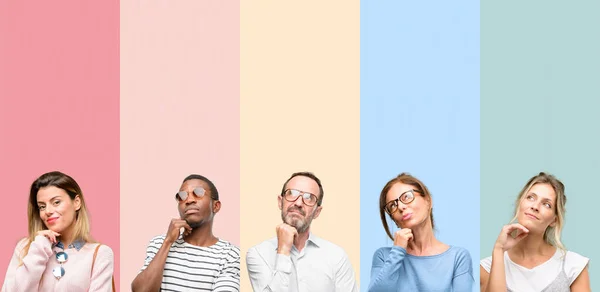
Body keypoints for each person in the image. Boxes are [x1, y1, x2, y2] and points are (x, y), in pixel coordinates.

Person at [2, 171, 115, 291]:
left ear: (76, 202)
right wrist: (40, 247)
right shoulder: (26, 248)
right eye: (42, 206)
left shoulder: (99, 254)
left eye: (56, 202)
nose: (48, 211)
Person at [246, 171, 358, 292]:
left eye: (309, 198)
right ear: (280, 201)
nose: (298, 203)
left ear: (317, 212)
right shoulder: (258, 254)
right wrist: (283, 251)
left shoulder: (337, 256)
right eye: (292, 194)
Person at [480, 172, 590, 292]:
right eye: (530, 197)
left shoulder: (573, 265)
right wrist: (499, 250)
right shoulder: (487, 267)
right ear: (519, 203)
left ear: (554, 220)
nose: (535, 206)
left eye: (547, 204)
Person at [131, 174, 240, 291]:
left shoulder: (230, 255)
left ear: (216, 206)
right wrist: (167, 242)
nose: (189, 200)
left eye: (198, 193)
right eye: (182, 196)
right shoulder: (159, 244)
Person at [368, 173, 473, 291]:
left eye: (407, 197)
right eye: (393, 205)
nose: (401, 207)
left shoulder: (457, 257)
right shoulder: (384, 257)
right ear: (394, 220)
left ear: (428, 201)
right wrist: (397, 251)